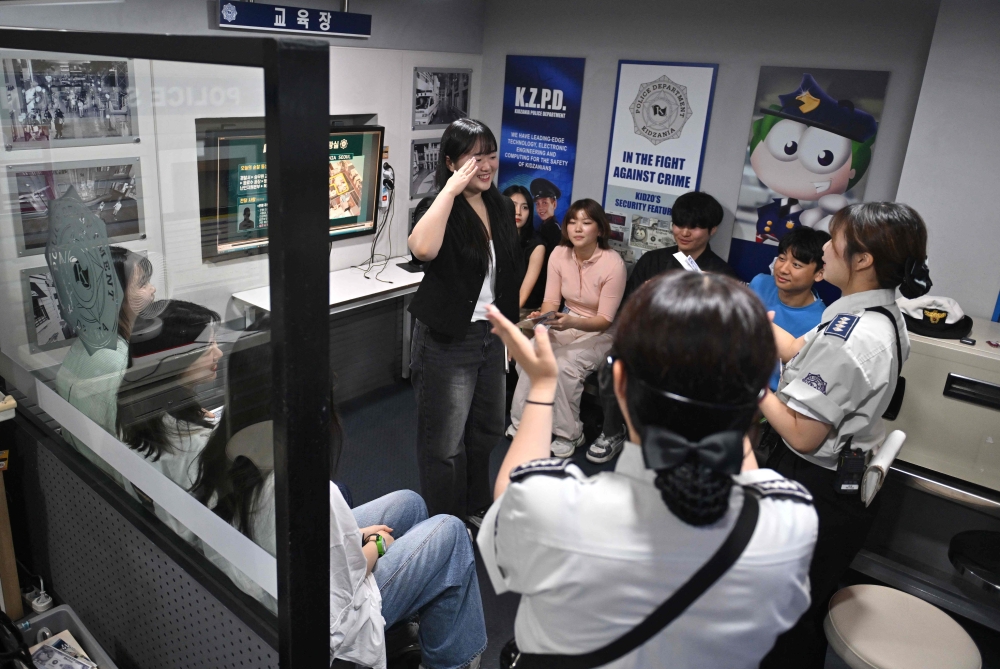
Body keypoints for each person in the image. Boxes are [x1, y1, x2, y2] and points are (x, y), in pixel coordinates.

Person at [478, 273, 818, 669]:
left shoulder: (557, 508)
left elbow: (512, 494)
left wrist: (541, 387)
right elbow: (749, 472)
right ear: (757, 391)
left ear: (618, 383)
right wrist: (739, 368)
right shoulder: (791, 519)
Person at [193, 338, 487, 669]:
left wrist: (353, 535)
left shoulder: (219, 451)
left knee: (409, 504)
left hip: (271, 590)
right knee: (451, 533)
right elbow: (340, 589)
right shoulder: (304, 489)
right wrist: (376, 543)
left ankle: (404, 633)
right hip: (324, 627)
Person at [759, 202, 932, 669]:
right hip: (841, 486)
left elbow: (802, 435)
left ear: (863, 260)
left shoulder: (851, 337)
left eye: (834, 241)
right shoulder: (878, 315)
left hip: (811, 486)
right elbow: (800, 351)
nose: (826, 248)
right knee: (801, 605)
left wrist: (750, 385)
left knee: (780, 616)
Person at [406, 118, 523, 525]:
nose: (487, 165)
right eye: (476, 158)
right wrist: (451, 190)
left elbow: (508, 275)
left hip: (491, 337)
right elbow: (421, 249)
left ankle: (474, 506)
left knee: (487, 430)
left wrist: (508, 334)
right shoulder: (438, 207)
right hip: (448, 340)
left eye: (491, 155)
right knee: (444, 443)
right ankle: (444, 524)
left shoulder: (502, 206)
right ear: (453, 162)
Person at [586, 191, 737, 464]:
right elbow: (627, 313)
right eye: (679, 224)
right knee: (614, 363)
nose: (684, 232)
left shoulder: (722, 275)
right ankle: (611, 431)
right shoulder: (653, 261)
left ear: (712, 230)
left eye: (694, 226)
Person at [507, 199, 626, 457]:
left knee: (563, 365)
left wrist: (570, 321)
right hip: (567, 319)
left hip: (602, 331)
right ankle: (525, 422)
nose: (578, 228)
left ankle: (570, 433)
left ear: (601, 229)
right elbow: (551, 300)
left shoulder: (613, 263)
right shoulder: (559, 254)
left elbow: (605, 319)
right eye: (572, 222)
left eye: (586, 222)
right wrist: (545, 316)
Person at [55, 247, 156, 484]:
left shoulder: (88, 342)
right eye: (142, 284)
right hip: (116, 488)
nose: (152, 290)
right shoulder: (117, 362)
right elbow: (136, 447)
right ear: (114, 296)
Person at [748, 227, 830, 391]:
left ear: (819, 273)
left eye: (796, 265)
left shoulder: (821, 320)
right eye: (781, 258)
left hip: (772, 397)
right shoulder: (760, 283)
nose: (784, 269)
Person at [502, 184, 547, 311]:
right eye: (513, 205)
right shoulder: (492, 236)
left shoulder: (537, 246)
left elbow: (522, 296)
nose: (518, 212)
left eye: (525, 207)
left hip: (522, 310)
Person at [530, 178, 562, 249]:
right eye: (537, 204)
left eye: (544, 203)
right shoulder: (542, 226)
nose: (540, 208)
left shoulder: (556, 232)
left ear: (554, 204)